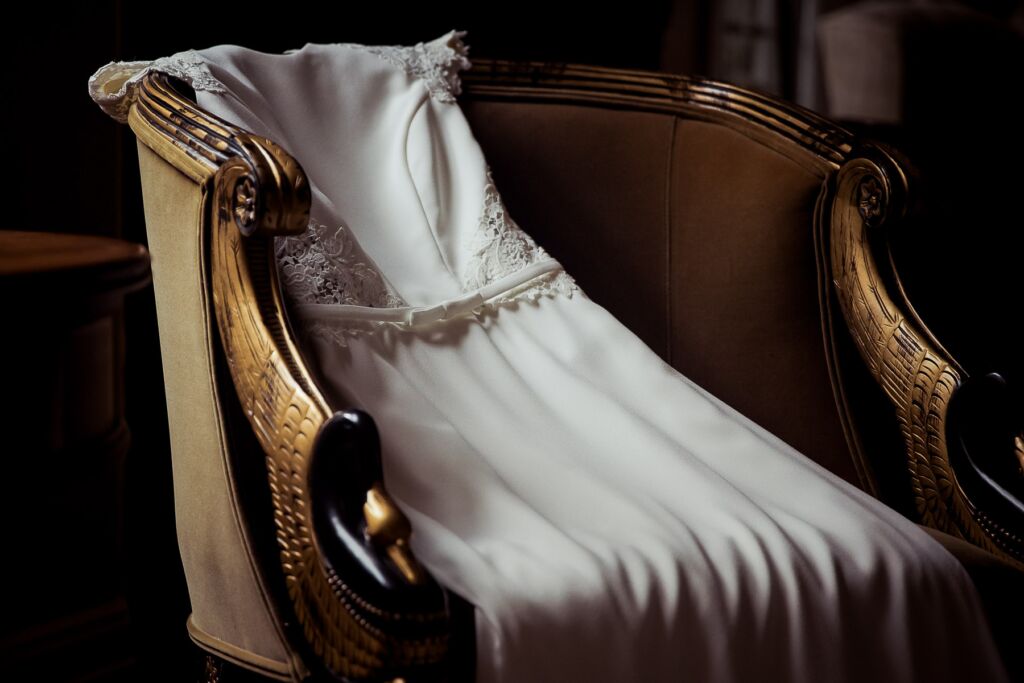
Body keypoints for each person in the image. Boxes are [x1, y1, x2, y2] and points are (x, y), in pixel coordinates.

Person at [89, 30, 1008, 682]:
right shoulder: (239, 153)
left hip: (555, 351)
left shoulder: (423, 90)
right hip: (387, 404)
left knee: (812, 538)